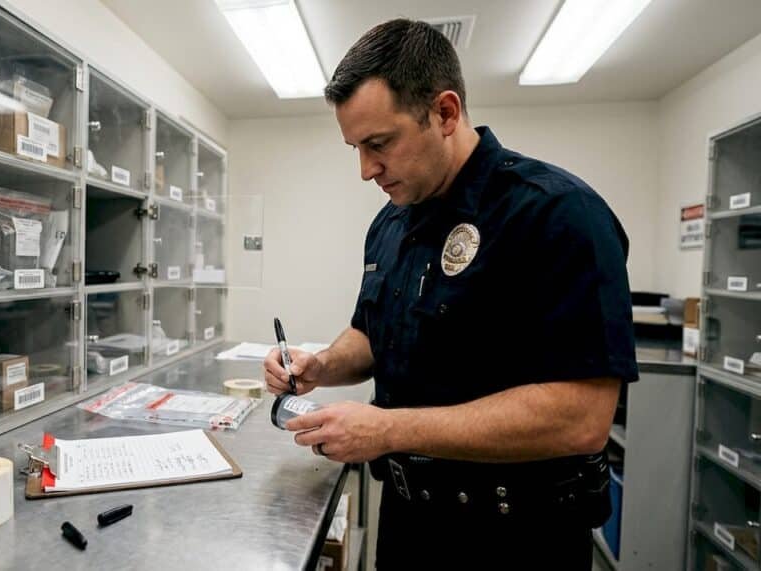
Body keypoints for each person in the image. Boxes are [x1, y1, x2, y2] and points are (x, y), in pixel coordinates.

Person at [263, 19, 637, 569]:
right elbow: (375, 331)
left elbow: (579, 416)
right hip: (410, 524)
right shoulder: (392, 223)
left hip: (518, 540)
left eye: (379, 144)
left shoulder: (556, 213)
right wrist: (321, 364)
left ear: (445, 113)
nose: (366, 170)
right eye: (355, 148)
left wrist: (387, 429)